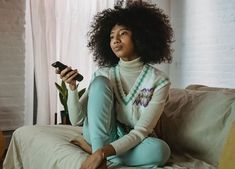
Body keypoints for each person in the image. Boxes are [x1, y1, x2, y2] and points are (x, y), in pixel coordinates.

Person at [57, 1, 174, 169]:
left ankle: (96, 154)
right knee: (99, 83)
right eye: (111, 36)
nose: (115, 40)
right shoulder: (102, 74)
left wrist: (101, 153)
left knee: (161, 150)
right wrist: (72, 88)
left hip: (130, 140)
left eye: (123, 33)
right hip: (101, 136)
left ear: (140, 36)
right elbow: (77, 120)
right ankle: (99, 152)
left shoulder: (159, 81)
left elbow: (141, 131)